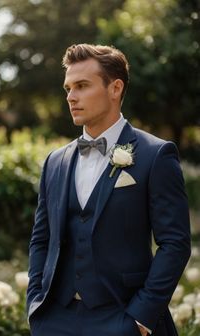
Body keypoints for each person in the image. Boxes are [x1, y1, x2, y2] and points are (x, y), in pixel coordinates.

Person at [27, 43, 191, 336]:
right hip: (56, 321)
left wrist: (140, 319)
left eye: (82, 86)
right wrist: (35, 305)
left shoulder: (156, 155)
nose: (71, 97)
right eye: (68, 88)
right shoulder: (55, 161)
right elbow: (42, 239)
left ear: (115, 88)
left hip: (122, 317)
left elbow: (175, 243)